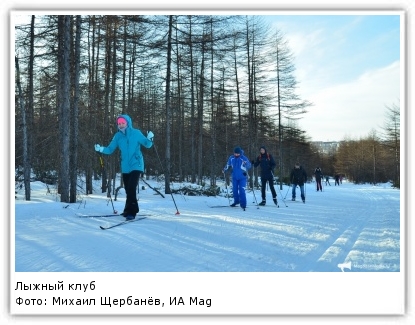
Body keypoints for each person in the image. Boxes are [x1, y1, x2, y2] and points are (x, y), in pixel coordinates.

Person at [94, 114, 154, 220]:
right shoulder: (118, 136)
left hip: (136, 164)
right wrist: (101, 149)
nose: (121, 125)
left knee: (131, 187)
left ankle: (133, 211)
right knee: (127, 189)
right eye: (119, 123)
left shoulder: (136, 133)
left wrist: (150, 138)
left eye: (123, 123)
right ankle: (127, 210)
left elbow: (147, 145)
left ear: (127, 123)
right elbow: (110, 149)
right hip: (125, 166)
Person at [223, 146, 252, 211]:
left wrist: (246, 164)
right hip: (234, 177)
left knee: (242, 190)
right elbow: (228, 165)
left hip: (242, 177)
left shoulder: (243, 158)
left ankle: (243, 204)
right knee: (234, 190)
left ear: (240, 153)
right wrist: (224, 170)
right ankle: (236, 201)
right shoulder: (231, 158)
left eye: (237, 153)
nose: (236, 155)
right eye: (235, 153)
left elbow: (249, 165)